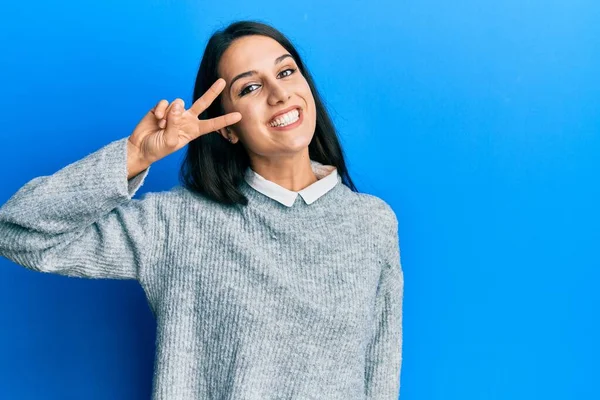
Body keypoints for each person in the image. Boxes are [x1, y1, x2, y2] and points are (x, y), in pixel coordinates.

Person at [0, 20, 404, 400]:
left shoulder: (372, 222)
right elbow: (19, 233)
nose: (279, 94)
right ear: (227, 128)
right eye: (249, 88)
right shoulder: (177, 224)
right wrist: (134, 156)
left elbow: (380, 373)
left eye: (285, 72)